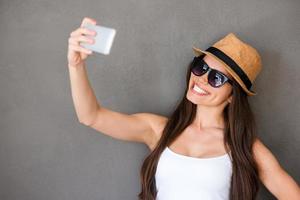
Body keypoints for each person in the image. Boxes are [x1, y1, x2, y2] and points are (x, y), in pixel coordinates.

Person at [67, 17, 300, 200]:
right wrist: (75, 65)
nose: (201, 79)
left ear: (232, 96)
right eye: (201, 68)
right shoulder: (158, 130)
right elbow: (91, 117)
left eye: (217, 78)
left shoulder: (244, 146)